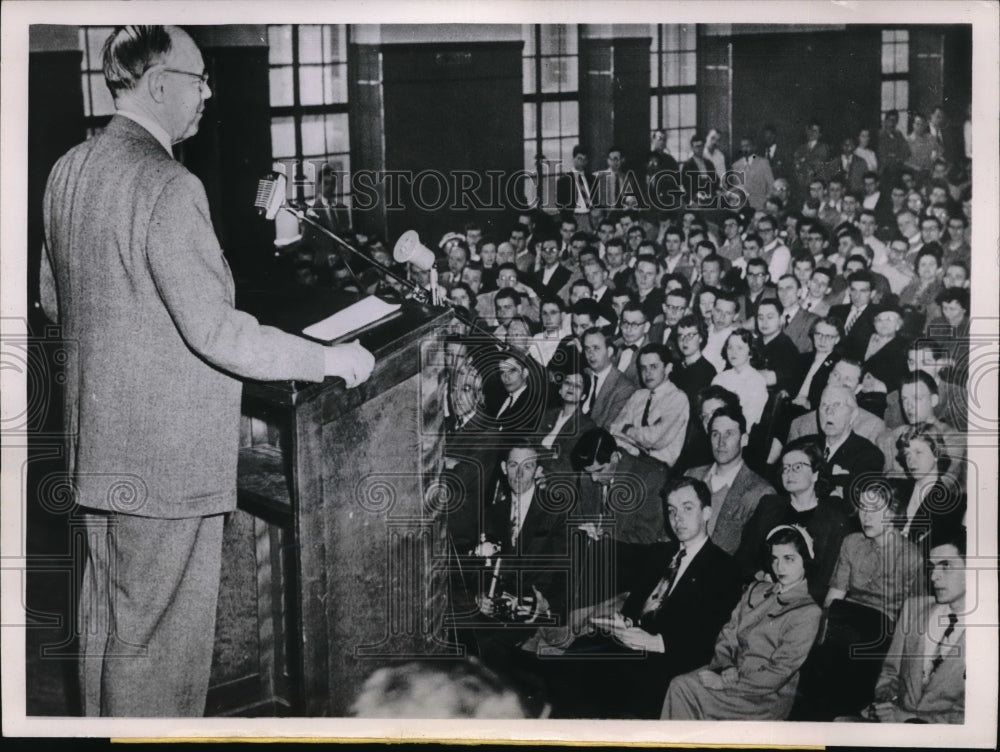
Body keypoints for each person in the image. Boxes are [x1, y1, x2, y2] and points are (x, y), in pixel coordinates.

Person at [37, 25, 376, 717]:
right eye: (199, 80)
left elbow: (53, 299)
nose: (208, 93)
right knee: (160, 657)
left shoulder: (69, 169)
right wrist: (329, 361)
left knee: (109, 629)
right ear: (160, 84)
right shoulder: (169, 183)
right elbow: (216, 331)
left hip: (97, 452)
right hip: (166, 465)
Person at [537, 478, 742, 719]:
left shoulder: (724, 569)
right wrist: (595, 538)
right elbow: (621, 553)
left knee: (595, 684)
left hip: (666, 659)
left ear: (706, 512)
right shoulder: (661, 553)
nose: (677, 518)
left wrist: (656, 642)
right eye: (671, 510)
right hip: (627, 645)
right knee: (570, 661)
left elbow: (710, 635)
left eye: (687, 508)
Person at [792, 480, 923, 721]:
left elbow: (912, 618)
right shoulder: (852, 542)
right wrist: (818, 633)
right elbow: (834, 598)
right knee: (820, 657)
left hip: (882, 629)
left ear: (893, 512)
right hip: (844, 620)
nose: (866, 516)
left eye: (875, 509)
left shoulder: (912, 556)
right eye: (863, 507)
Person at [661, 525, 822, 720]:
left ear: (806, 561)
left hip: (762, 697)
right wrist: (727, 666)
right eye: (775, 558)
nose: (779, 567)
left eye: (789, 559)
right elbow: (728, 633)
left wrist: (726, 683)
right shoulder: (757, 589)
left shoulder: (807, 612)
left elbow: (780, 671)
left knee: (684, 688)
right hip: (729, 673)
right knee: (679, 683)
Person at [861, 529, 967, 724]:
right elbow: (891, 672)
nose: (934, 576)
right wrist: (885, 704)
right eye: (932, 567)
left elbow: (978, 718)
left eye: (946, 566)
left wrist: (910, 720)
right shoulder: (914, 609)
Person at [736, 438, 849, 606]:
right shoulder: (769, 506)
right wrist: (762, 577)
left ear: (815, 473)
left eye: (797, 467)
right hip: (760, 593)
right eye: (785, 468)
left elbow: (827, 578)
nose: (789, 473)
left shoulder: (834, 519)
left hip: (803, 605)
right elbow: (744, 557)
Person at [685, 406, 775, 555]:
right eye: (715, 434)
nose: (721, 442)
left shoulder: (760, 492)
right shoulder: (692, 475)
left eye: (729, 434)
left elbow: (753, 556)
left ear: (744, 439)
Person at [711, 330, 768, 430]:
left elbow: (749, 420)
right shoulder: (719, 378)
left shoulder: (757, 381)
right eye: (730, 347)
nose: (733, 352)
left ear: (750, 352)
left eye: (740, 348)